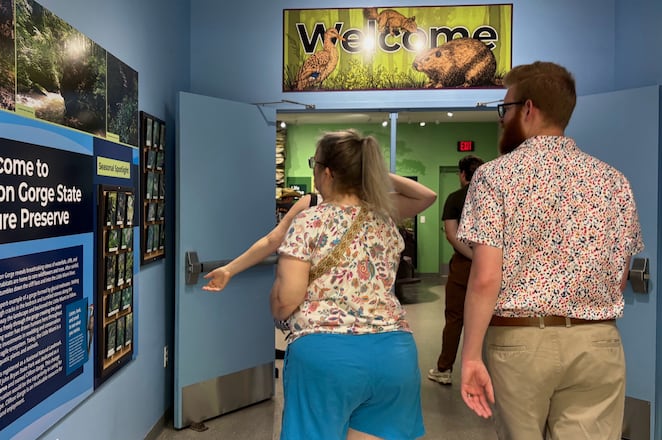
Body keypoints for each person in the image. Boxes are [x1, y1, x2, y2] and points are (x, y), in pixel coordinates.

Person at [458, 61, 644, 439]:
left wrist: (471, 355)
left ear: (528, 109)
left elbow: (485, 278)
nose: (501, 119)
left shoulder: (495, 176)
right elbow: (621, 274)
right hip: (598, 341)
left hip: (520, 342)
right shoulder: (613, 181)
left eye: (504, 109)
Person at [270, 129, 431, 440]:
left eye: (314, 164)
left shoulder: (310, 221)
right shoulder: (384, 217)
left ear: (327, 172)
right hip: (393, 353)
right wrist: (368, 170)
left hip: (326, 356)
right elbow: (424, 196)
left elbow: (287, 299)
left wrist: (274, 304)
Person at [201, 168, 436, 293]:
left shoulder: (374, 203)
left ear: (328, 173)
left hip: (363, 317)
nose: (314, 173)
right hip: (323, 314)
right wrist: (230, 270)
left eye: (317, 165)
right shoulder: (310, 203)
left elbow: (426, 197)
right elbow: (272, 240)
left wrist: (372, 172)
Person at [427, 154, 484, 385]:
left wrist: (472, 256)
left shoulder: (455, 198)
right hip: (492, 266)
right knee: (489, 319)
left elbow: (451, 234)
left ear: (462, 175)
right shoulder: (493, 198)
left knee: (454, 318)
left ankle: (444, 369)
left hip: (463, 266)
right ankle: (488, 373)